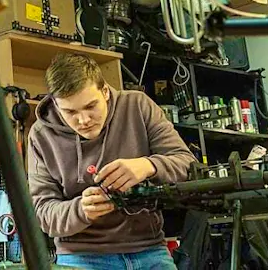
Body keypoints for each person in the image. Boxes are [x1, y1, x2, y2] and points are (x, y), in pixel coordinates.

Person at [27, 53, 196, 270]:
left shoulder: (138, 106)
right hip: (82, 256)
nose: (83, 120)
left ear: (105, 91)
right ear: (56, 106)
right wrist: (81, 210)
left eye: (90, 106)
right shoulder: (41, 136)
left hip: (148, 248)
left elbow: (187, 165)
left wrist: (148, 166)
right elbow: (43, 214)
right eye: (70, 112)